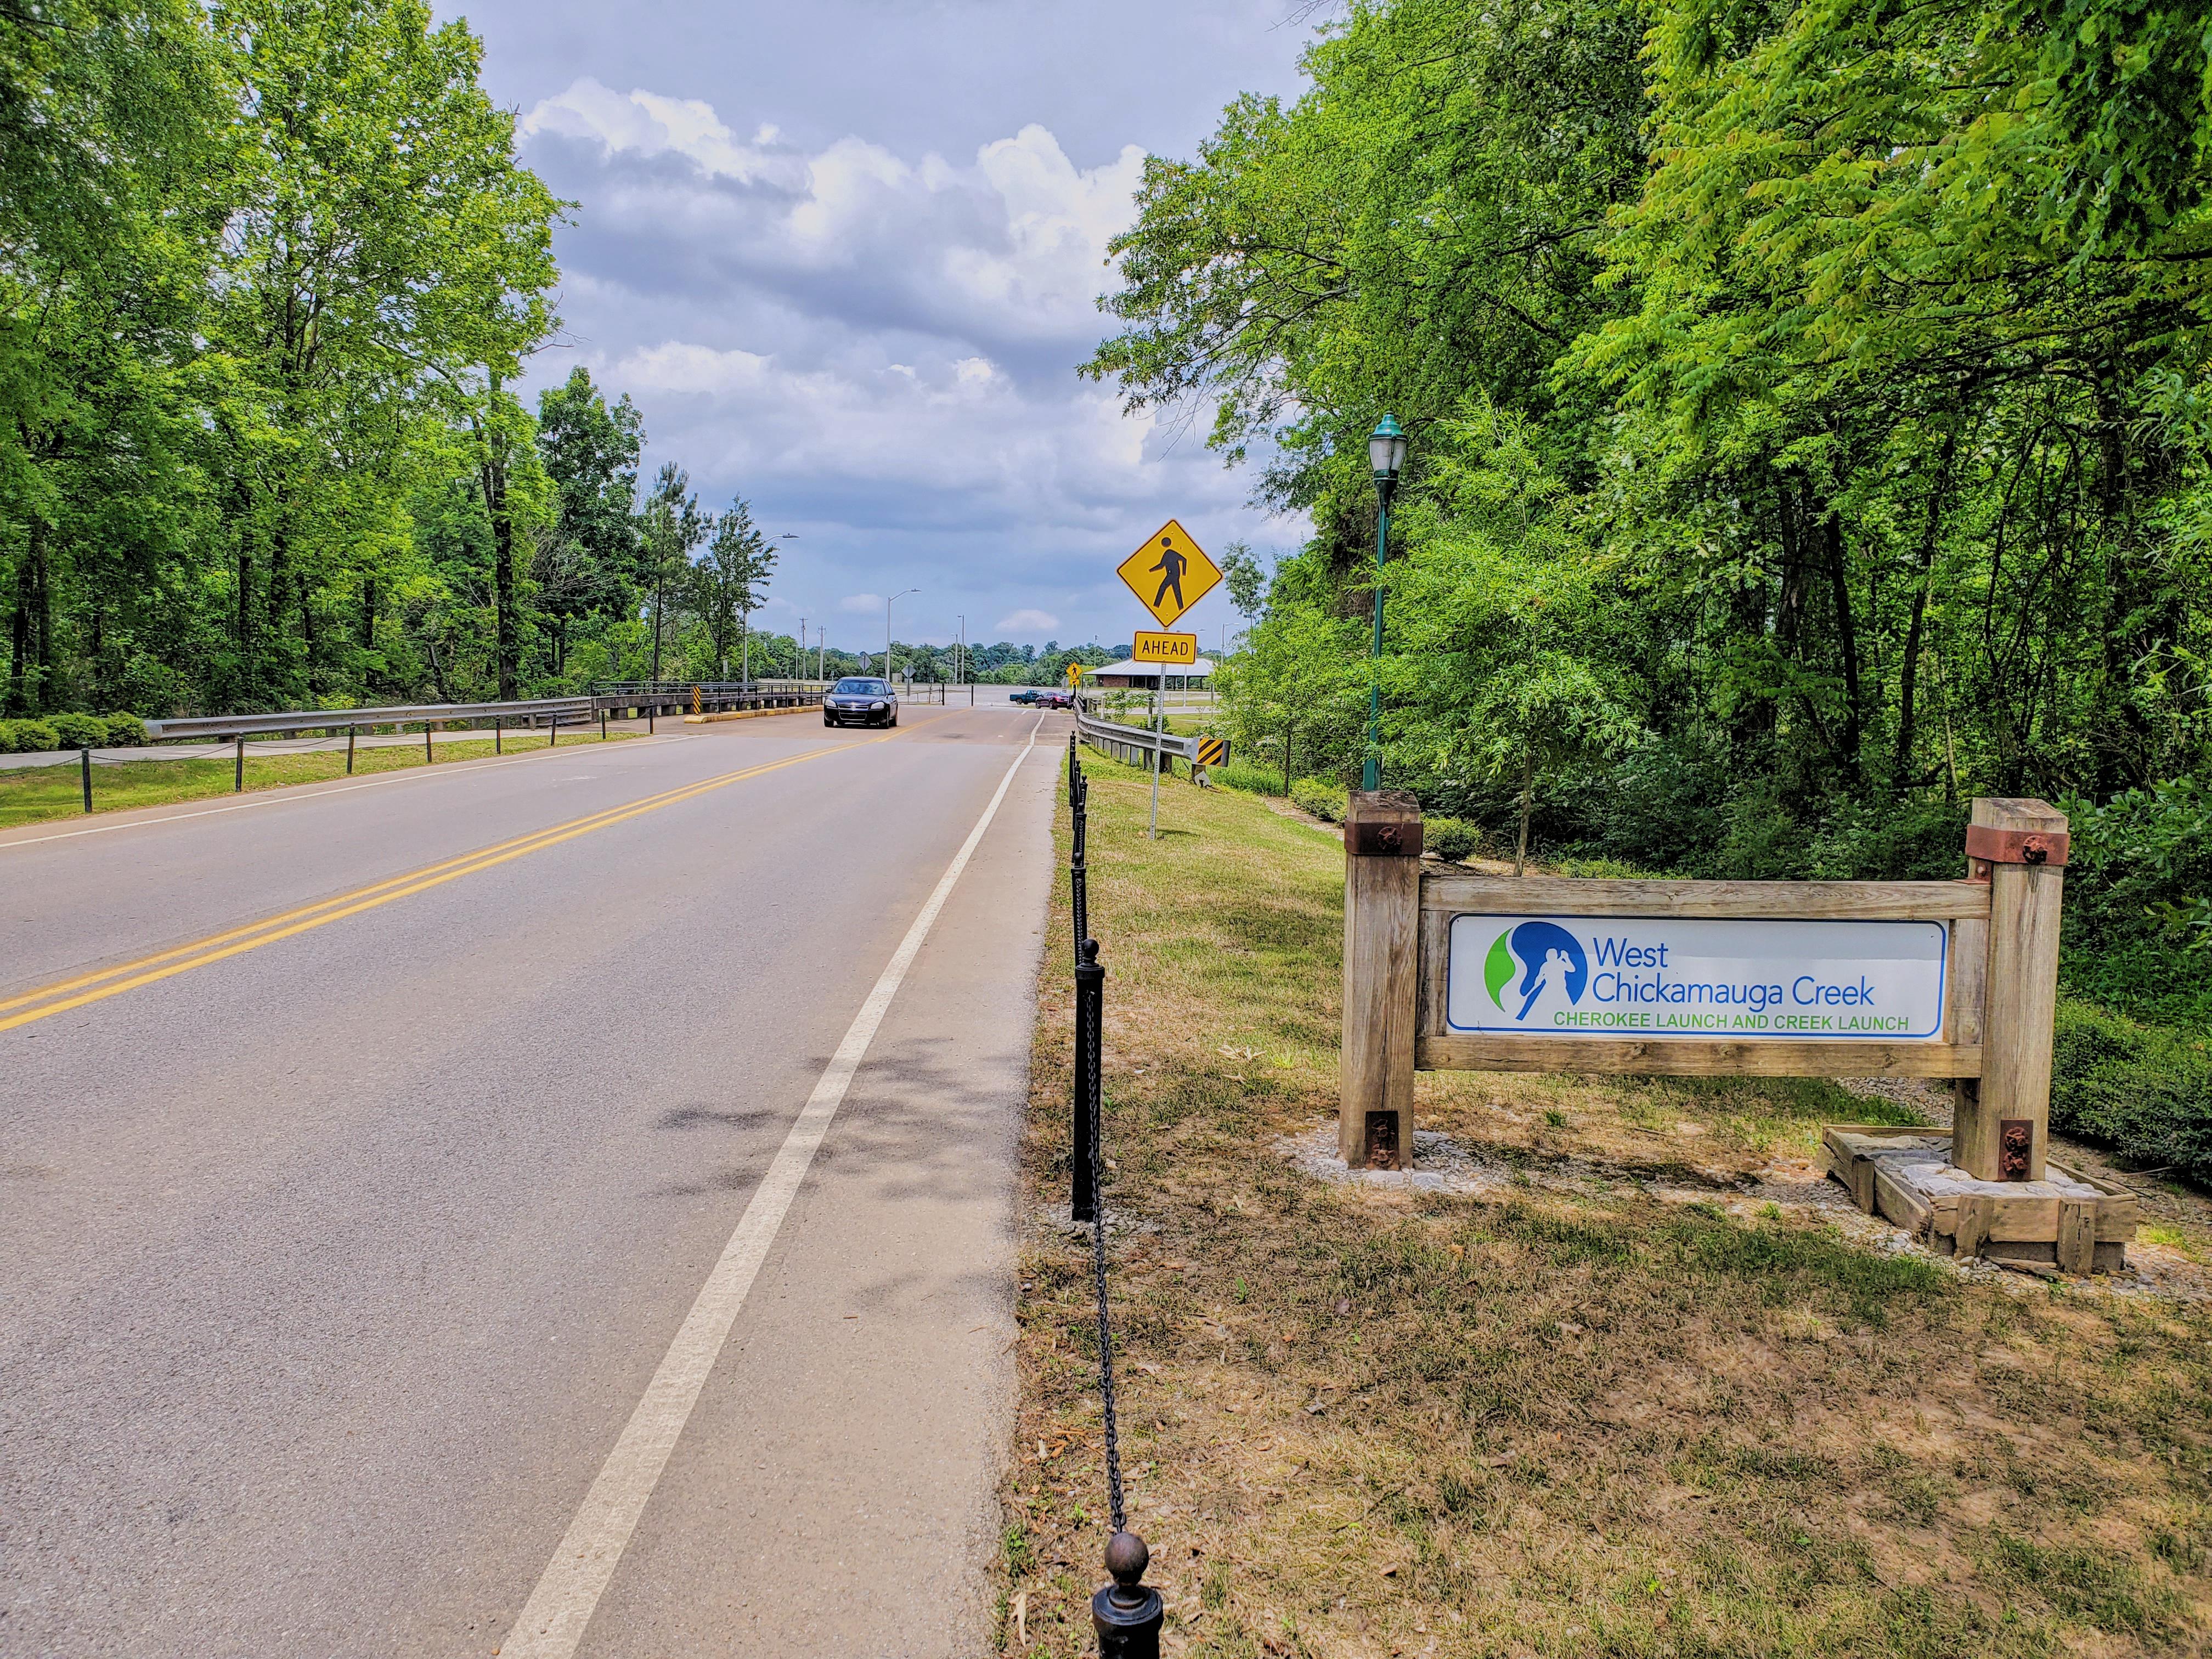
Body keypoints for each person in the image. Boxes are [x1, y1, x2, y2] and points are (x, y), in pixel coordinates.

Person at [1150, 536, 1188, 611]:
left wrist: (1184, 573)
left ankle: (1157, 605)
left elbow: (1184, 560)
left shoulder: (1170, 553)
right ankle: (1181, 608)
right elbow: (1161, 566)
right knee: (1176, 591)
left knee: (1163, 588)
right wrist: (1150, 570)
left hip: (1173, 575)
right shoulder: (1167, 554)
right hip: (1172, 575)